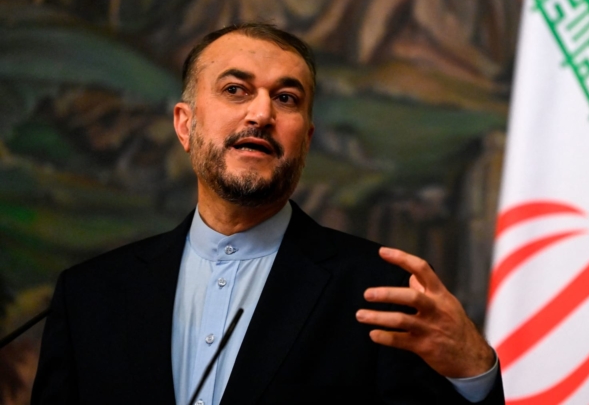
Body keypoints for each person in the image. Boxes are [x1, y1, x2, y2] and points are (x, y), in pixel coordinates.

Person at [31, 23, 503, 405]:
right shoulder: (90, 295)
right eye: (236, 89)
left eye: (286, 98)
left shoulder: (381, 292)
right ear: (185, 125)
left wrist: (473, 371)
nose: (261, 113)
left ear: (306, 140)